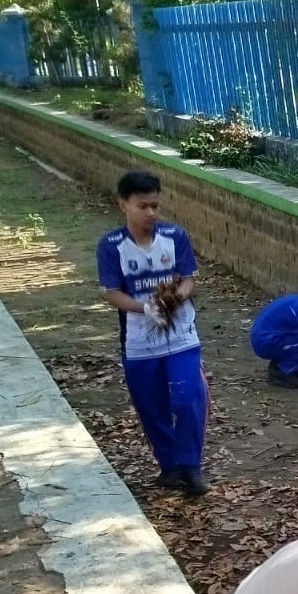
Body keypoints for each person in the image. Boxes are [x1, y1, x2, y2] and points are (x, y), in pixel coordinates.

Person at [97, 169, 211, 495]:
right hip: (138, 341)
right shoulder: (111, 246)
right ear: (124, 205)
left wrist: (179, 295)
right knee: (152, 405)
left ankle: (191, 466)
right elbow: (111, 292)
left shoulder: (174, 236)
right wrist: (143, 307)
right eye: (142, 206)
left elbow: (188, 277)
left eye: (155, 206)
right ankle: (170, 466)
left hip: (181, 334)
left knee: (189, 397)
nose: (150, 213)